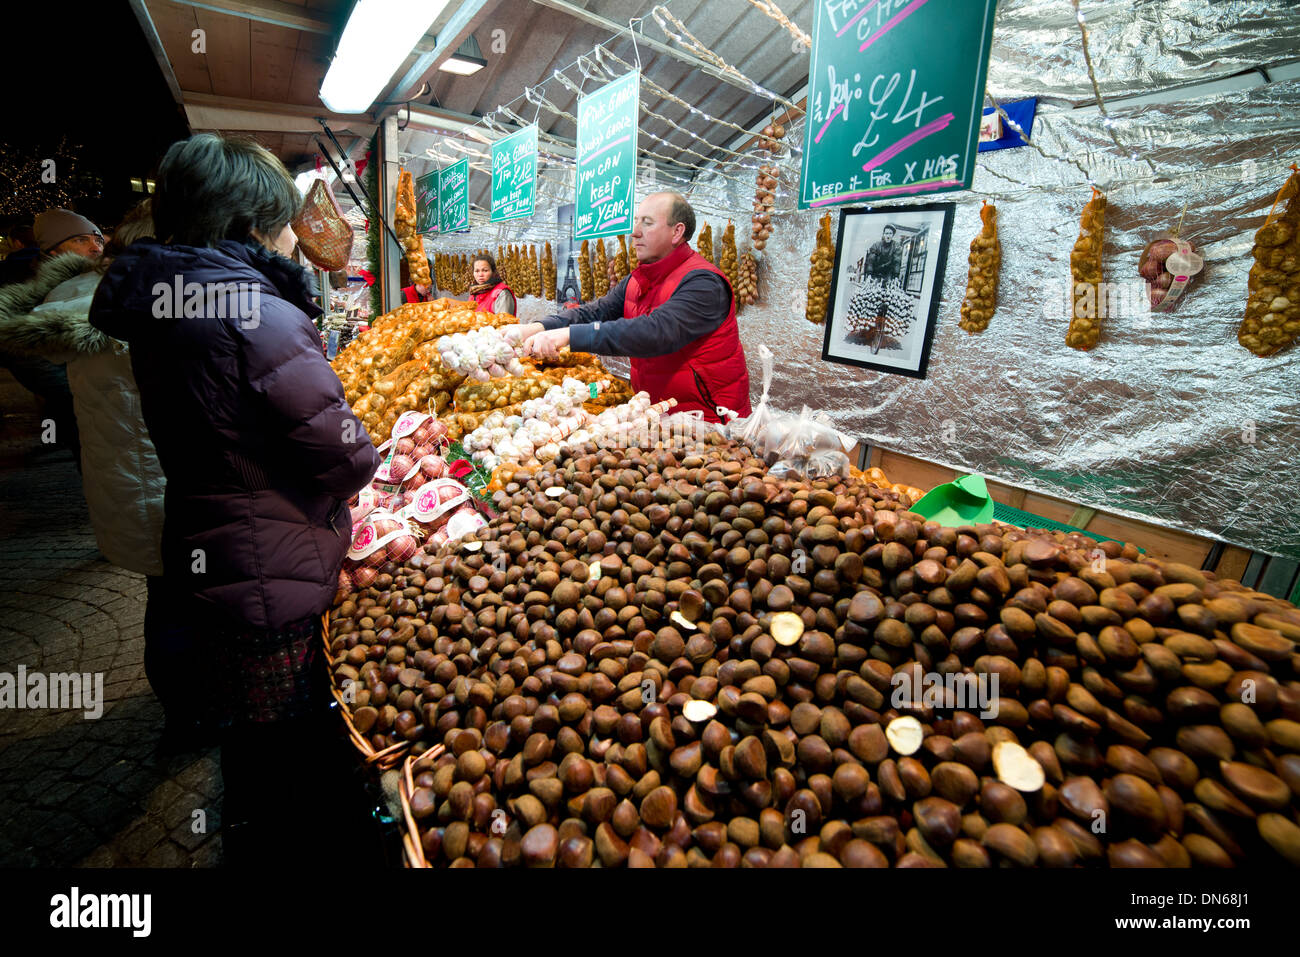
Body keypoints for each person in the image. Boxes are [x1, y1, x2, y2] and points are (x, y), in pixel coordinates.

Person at [88, 133, 382, 866]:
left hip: (212, 546)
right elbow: (342, 451)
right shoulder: (257, 312)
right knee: (288, 749)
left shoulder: (168, 302)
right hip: (268, 565)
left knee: (248, 743)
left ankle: (257, 833)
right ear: (248, 221)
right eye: (281, 217)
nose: (291, 233)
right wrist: (363, 442)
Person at [0, 202, 199, 747]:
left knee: (169, 597)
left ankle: (186, 711)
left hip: (126, 478)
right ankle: (190, 720)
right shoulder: (140, 309)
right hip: (158, 480)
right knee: (181, 603)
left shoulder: (85, 300)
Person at [510, 191, 751, 422]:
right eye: (636, 222)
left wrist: (569, 336)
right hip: (661, 414)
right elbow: (596, 312)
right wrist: (535, 327)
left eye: (647, 223)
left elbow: (655, 332)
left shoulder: (704, 282)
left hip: (710, 420)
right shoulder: (637, 279)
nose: (634, 233)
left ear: (677, 232)